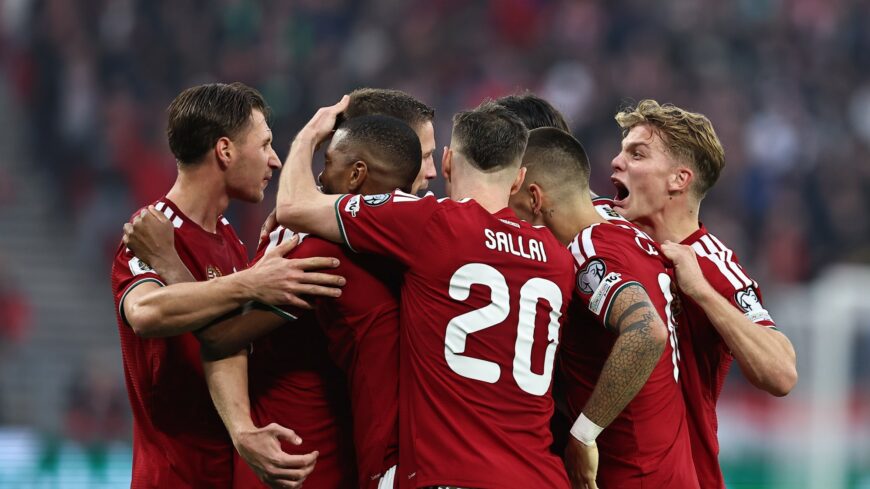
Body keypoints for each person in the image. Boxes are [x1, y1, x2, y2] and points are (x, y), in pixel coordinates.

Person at [277, 97, 575, 488]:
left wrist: (308, 137)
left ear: (448, 162)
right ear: (518, 180)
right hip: (542, 477)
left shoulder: (431, 224)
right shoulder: (559, 259)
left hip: (453, 475)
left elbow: (293, 206)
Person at [127, 114, 423, 489]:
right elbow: (145, 312)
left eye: (327, 162)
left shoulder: (323, 252)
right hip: (407, 454)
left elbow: (219, 335)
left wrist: (168, 261)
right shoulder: (421, 244)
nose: (318, 176)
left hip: (323, 463)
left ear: (356, 174)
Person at [110, 82, 345, 488]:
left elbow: (222, 339)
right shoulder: (152, 230)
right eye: (265, 144)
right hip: (172, 479)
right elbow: (146, 313)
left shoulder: (229, 239)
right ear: (225, 151)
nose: (274, 160)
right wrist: (249, 283)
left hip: (228, 474)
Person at [607, 100, 798, 488]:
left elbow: (782, 373)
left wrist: (702, 293)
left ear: (678, 179)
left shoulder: (712, 263)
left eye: (637, 154)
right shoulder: (605, 238)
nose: (616, 162)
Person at [509, 127, 698, 489]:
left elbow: (647, 331)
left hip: (634, 477)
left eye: (512, 204)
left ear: (534, 198)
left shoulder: (586, 252)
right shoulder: (623, 228)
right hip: (671, 471)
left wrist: (583, 435)